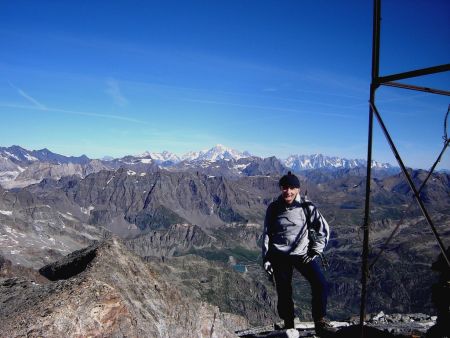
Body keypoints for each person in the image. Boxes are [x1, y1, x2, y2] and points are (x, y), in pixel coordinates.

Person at [262, 171, 336, 336]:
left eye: (292, 188)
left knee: (320, 283)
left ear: (298, 190)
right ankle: (289, 325)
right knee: (284, 291)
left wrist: (316, 249)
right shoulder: (273, 208)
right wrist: (266, 258)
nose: (288, 191)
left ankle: (320, 322)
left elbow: (323, 228)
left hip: (302, 253)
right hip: (279, 255)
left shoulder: (307, 207)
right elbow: (266, 233)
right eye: (285, 188)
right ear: (281, 189)